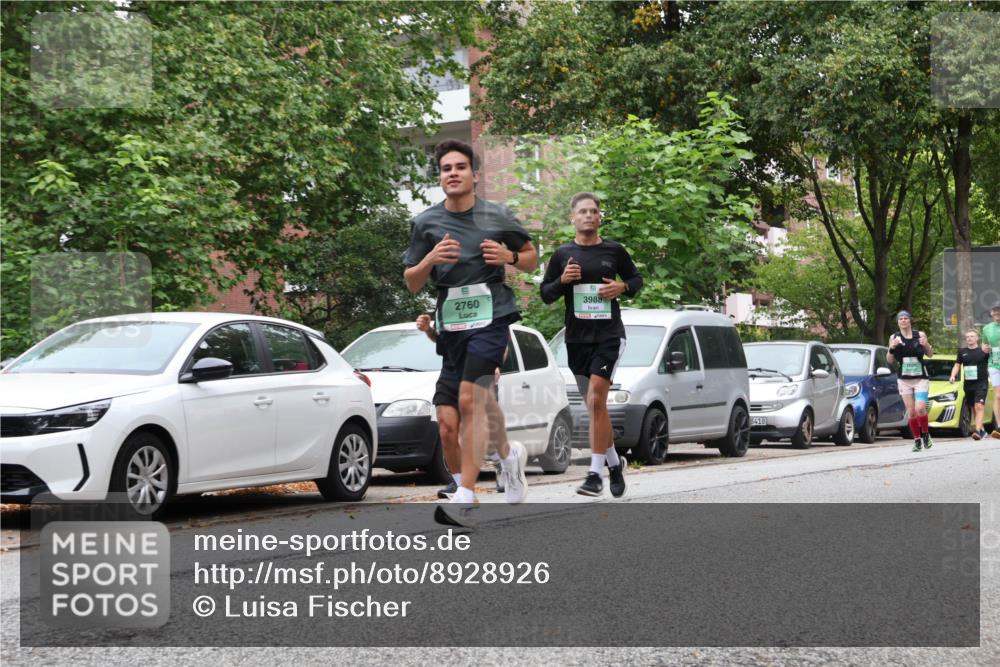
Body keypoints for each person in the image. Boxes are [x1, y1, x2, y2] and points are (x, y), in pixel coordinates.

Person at [403, 139, 538, 526]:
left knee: (470, 400)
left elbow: (531, 258)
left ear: (474, 175)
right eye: (446, 168)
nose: (453, 173)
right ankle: (507, 458)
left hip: (492, 318)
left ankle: (465, 497)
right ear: (440, 176)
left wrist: (509, 257)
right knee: (446, 424)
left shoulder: (497, 215)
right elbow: (412, 282)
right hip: (452, 328)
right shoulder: (426, 223)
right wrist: (430, 259)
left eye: (460, 167)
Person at [540, 192, 643, 497]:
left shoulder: (614, 251)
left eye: (593, 211)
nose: (588, 215)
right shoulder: (562, 255)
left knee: (597, 401)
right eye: (582, 211)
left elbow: (636, 280)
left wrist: (622, 287)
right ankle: (614, 463)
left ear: (599, 218)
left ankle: (594, 474)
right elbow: (546, 294)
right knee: (594, 407)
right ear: (572, 217)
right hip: (576, 339)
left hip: (609, 335)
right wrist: (563, 281)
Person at [416, 313, 506, 498]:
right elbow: (441, 339)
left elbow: (502, 335)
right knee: (446, 429)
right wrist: (428, 330)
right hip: (450, 372)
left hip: (479, 371)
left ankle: (501, 463)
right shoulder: (446, 302)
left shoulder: (484, 293)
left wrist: (496, 364)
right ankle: (459, 486)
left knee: (475, 432)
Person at [886, 311, 935, 452]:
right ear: (897, 322)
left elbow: (930, 354)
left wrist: (926, 345)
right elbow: (889, 360)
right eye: (900, 318)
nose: (903, 320)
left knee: (920, 408)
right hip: (904, 379)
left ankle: (925, 434)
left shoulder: (920, 335)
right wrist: (892, 347)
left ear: (910, 320)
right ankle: (917, 440)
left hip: (920, 378)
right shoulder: (894, 337)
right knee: (911, 412)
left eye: (906, 318)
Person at [950, 329, 990, 440]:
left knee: (979, 406)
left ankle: (977, 431)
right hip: (968, 384)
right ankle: (982, 430)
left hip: (981, 383)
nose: (969, 338)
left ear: (977, 338)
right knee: (973, 408)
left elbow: (993, 362)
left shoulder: (983, 351)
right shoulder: (962, 351)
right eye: (967, 336)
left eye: (972, 336)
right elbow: (957, 365)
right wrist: (953, 375)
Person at [982, 303, 1000, 439]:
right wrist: (984, 348)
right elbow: (984, 344)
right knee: (998, 396)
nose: (997, 314)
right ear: (991, 313)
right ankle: (999, 427)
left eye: (999, 312)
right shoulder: (987, 328)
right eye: (995, 312)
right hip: (994, 364)